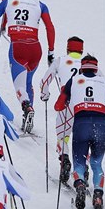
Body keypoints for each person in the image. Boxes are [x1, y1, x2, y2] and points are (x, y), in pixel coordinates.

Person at [0, 0, 55, 133]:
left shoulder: (9, 1)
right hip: (35, 48)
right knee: (28, 83)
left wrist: (4, 16)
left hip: (18, 47)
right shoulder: (40, 4)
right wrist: (51, 51)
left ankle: (26, 106)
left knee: (19, 86)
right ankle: (27, 118)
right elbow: (50, 28)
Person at [55, 55, 105, 209]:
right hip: (101, 124)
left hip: (81, 124)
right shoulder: (104, 81)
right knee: (96, 163)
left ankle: (80, 185)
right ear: (96, 68)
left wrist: (71, 98)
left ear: (82, 67)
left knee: (79, 163)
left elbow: (59, 106)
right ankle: (98, 194)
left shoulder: (74, 80)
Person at [40, 36, 85, 181]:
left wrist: (44, 94)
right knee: (83, 138)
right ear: (81, 50)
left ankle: (64, 159)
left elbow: (46, 79)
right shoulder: (88, 65)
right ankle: (85, 164)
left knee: (62, 137)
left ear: (68, 48)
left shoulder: (60, 60)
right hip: (84, 105)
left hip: (66, 102)